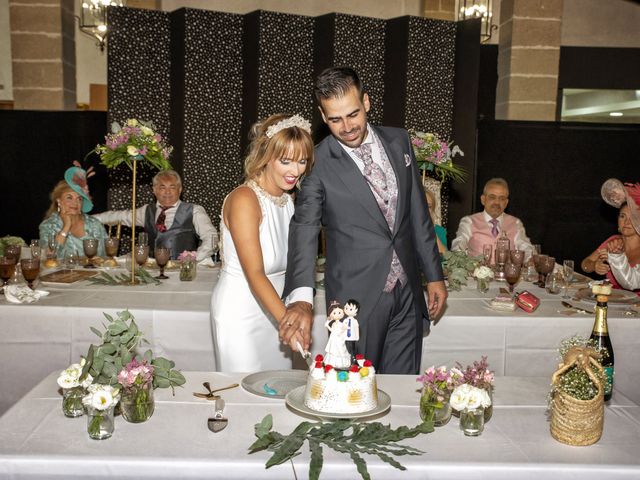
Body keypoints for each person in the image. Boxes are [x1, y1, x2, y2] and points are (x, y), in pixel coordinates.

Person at [281, 67, 447, 375]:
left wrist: (434, 275)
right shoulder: (317, 165)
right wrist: (302, 299)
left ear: (367, 102)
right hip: (354, 301)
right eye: (334, 119)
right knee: (355, 392)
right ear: (322, 115)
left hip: (408, 291)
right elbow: (304, 230)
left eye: (353, 114)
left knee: (402, 390)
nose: (346, 127)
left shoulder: (399, 142)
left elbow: (417, 214)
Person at [210, 114, 314, 372]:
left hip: (277, 309)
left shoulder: (287, 200)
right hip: (242, 313)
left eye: (302, 161)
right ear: (266, 156)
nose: (295, 171)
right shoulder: (245, 199)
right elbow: (255, 273)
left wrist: (292, 313)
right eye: (286, 161)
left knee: (275, 391)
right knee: (244, 394)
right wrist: (289, 324)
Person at [93, 170, 216, 261]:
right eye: (162, 187)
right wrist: (89, 219)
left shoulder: (194, 210)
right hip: (153, 270)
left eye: (172, 187)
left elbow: (211, 237)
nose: (167, 192)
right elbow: (118, 216)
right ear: (154, 190)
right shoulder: (146, 211)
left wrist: (195, 257)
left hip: (183, 270)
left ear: (180, 190)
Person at [451, 177, 534, 258]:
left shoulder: (515, 223)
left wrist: (530, 259)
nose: (497, 202)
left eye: (501, 198)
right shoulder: (469, 221)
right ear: (483, 200)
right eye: (492, 197)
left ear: (506, 203)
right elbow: (458, 245)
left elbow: (527, 249)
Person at [584, 178, 640, 294]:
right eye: (623, 216)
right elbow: (585, 264)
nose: (626, 222)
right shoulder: (613, 241)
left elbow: (631, 283)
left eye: (632, 218)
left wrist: (616, 257)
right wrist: (595, 265)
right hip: (610, 301)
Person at [39, 165, 108, 259]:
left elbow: (105, 257)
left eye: (79, 199)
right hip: (61, 273)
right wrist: (66, 227)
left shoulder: (94, 224)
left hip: (94, 272)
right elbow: (48, 256)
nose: (75, 203)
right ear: (59, 201)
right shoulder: (49, 226)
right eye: (69, 197)